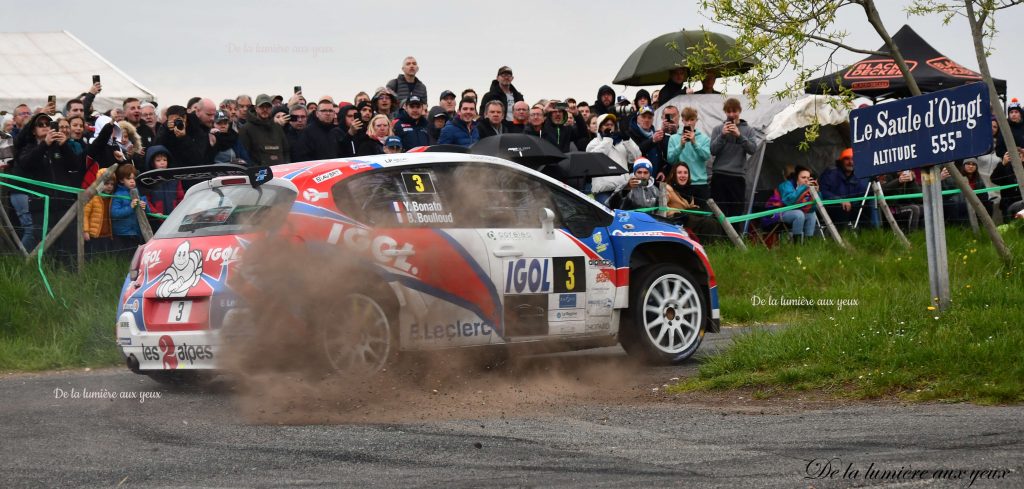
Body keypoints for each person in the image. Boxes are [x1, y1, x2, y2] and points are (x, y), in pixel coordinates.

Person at [9, 112, 82, 254]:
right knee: (44, 245)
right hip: (41, 205)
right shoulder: (28, 148)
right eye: (40, 125)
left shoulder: (59, 146)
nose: (44, 127)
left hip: (63, 203)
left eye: (47, 124)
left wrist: (64, 145)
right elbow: (26, 164)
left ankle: (70, 274)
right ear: (33, 131)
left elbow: (74, 166)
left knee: (68, 244)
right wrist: (44, 145)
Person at [709, 98, 758, 219]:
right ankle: (719, 238)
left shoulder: (749, 130)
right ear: (725, 112)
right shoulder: (717, 129)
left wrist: (740, 136)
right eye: (728, 111)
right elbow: (713, 151)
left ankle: (734, 237)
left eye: (734, 111)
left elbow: (752, 150)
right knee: (719, 212)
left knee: (736, 211)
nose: (731, 114)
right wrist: (722, 135)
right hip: (719, 175)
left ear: (740, 111)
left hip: (737, 176)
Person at [588, 113, 642, 203]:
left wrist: (627, 140)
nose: (609, 127)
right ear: (600, 127)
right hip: (604, 191)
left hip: (624, 188)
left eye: (611, 125)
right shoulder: (593, 143)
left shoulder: (622, 142)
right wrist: (608, 140)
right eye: (606, 125)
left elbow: (637, 157)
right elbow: (595, 160)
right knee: (609, 214)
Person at [666, 106, 711, 206]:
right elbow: (671, 160)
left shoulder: (704, 138)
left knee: (703, 217)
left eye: (692, 120)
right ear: (682, 120)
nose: (689, 123)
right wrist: (680, 146)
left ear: (696, 120)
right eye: (686, 120)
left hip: (700, 184)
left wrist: (695, 143)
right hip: (681, 184)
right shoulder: (674, 138)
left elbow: (707, 156)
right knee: (684, 216)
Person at [664, 162, 719, 243]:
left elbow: (690, 207)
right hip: (676, 221)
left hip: (687, 219)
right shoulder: (667, 189)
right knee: (708, 223)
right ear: (673, 174)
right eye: (679, 173)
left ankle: (712, 247)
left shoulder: (689, 189)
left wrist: (696, 209)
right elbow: (661, 209)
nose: (683, 175)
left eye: (685, 173)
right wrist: (677, 213)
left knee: (713, 220)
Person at [818, 148, 871, 229]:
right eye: (847, 159)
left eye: (853, 159)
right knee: (841, 210)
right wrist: (840, 200)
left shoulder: (860, 175)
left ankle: (869, 236)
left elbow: (864, 193)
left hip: (852, 207)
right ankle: (842, 239)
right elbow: (823, 192)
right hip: (833, 208)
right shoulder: (830, 173)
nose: (850, 162)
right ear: (841, 161)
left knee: (867, 206)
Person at [238, 94, 290, 166]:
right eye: (262, 107)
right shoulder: (246, 129)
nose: (265, 109)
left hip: (280, 172)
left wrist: (286, 166)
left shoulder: (277, 127)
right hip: (259, 173)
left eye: (268, 107)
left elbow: (286, 151)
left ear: (271, 108)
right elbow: (244, 155)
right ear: (256, 108)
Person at [109, 163, 148, 252]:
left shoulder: (139, 193)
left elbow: (148, 211)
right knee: (124, 259)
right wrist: (130, 207)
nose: (132, 181)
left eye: (134, 179)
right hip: (122, 234)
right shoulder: (118, 195)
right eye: (128, 178)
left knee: (135, 257)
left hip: (137, 233)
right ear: (121, 180)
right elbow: (114, 213)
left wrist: (144, 206)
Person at [776, 166, 819, 243]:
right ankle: (797, 245)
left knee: (811, 215)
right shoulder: (786, 185)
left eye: (808, 178)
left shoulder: (806, 188)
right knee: (799, 214)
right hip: (778, 213)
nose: (806, 180)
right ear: (796, 178)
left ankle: (808, 245)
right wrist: (804, 188)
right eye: (803, 177)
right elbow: (789, 201)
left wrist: (816, 192)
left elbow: (814, 207)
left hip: (796, 212)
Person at [946, 158, 993, 224]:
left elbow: (984, 195)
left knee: (988, 204)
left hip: (976, 204)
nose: (971, 166)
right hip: (960, 204)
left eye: (973, 164)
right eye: (968, 164)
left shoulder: (979, 180)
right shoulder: (955, 178)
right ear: (963, 165)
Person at [82, 167, 114, 255]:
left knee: (106, 258)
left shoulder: (112, 198)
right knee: (93, 257)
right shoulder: (92, 197)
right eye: (106, 183)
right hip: (94, 235)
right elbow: (85, 215)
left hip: (107, 235)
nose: (109, 186)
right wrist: (85, 231)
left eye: (112, 184)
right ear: (99, 183)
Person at [627, 106, 665, 176]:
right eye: (644, 117)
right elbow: (636, 152)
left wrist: (661, 170)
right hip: (638, 178)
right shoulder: (629, 134)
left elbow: (661, 156)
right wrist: (652, 140)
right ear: (638, 118)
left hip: (654, 178)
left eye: (649, 117)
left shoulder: (655, 134)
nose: (647, 120)